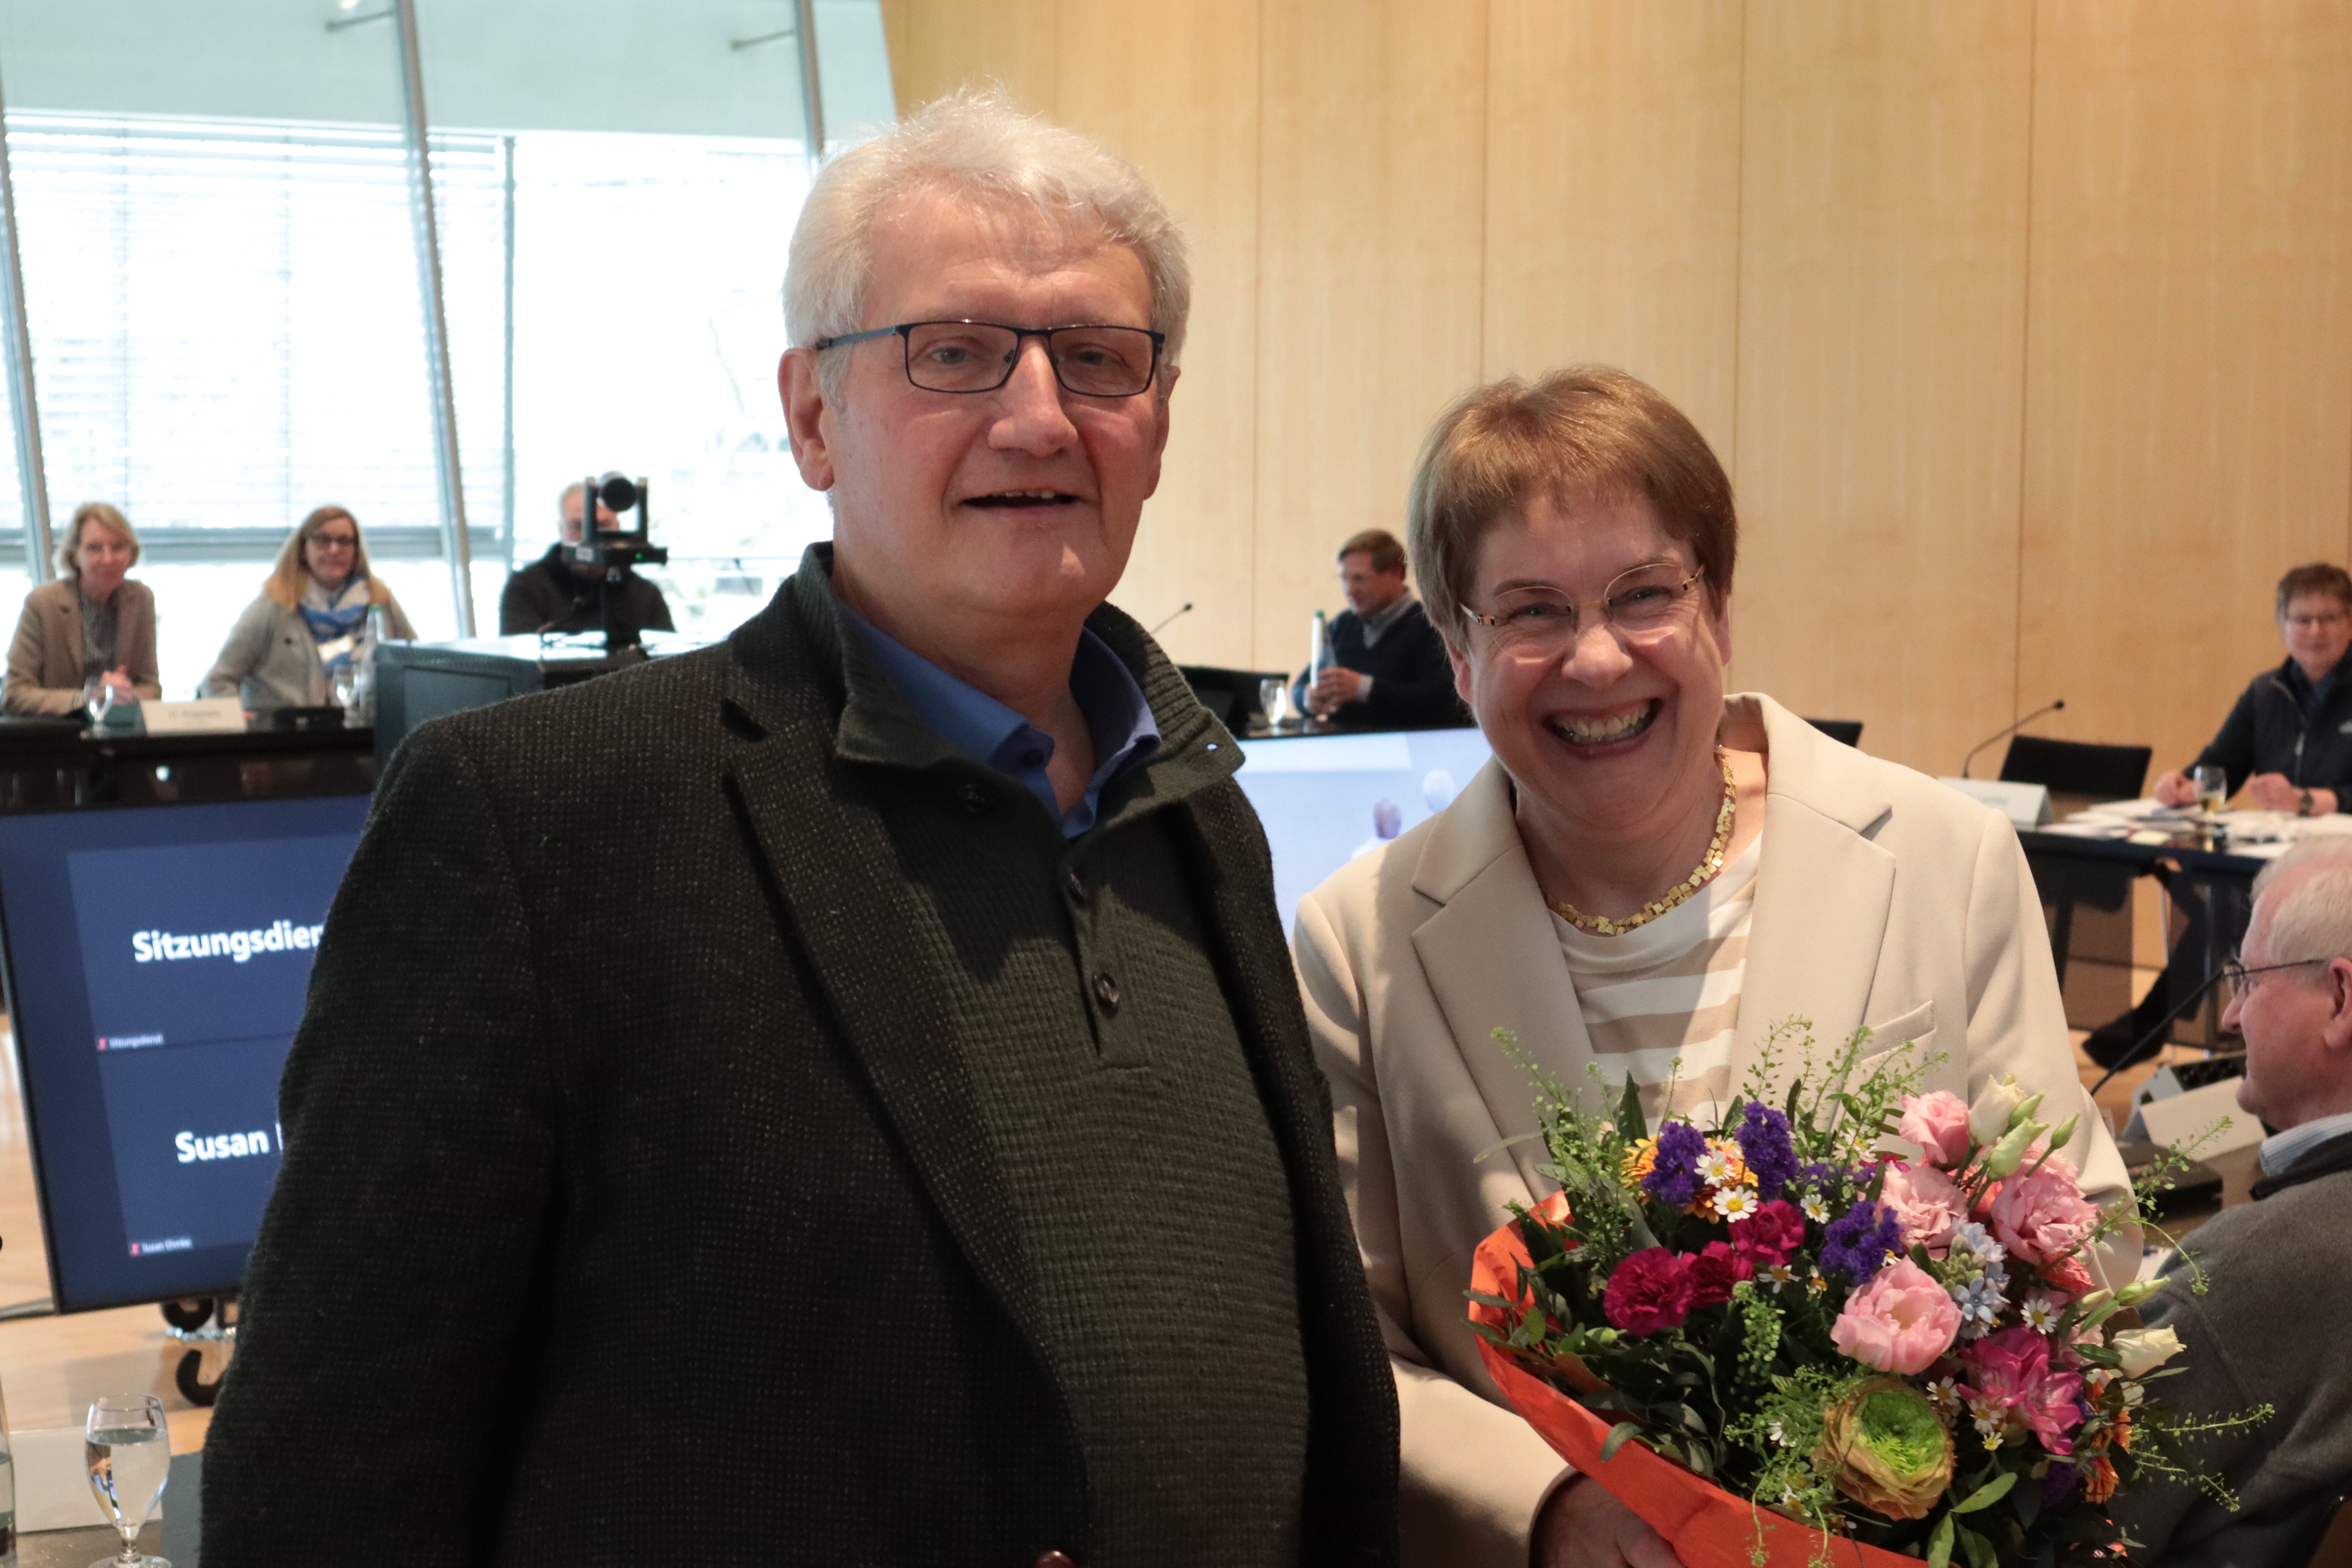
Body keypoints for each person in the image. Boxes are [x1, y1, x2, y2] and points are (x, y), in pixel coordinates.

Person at [202, 94, 1397, 1568]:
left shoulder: (1199, 805)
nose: (1038, 415)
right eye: (952, 352)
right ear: (813, 414)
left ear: (1154, 423)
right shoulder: (536, 824)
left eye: (1096, 358)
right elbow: (327, 1482)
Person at [1292, 367, 2127, 1568]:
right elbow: (1346, 1345)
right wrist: (1543, 1509)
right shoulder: (1354, 942)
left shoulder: (1944, 859)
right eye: (1527, 611)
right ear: (1455, 649)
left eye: (1642, 593)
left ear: (1717, 606)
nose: (1592, 659)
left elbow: (2081, 1238)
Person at [2108, 837, 2352, 1567]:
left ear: (2340, 1000)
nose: (2229, 1017)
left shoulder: (2253, 1274)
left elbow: (2073, 1514)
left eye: (2248, 980)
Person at [2153, 563, 2352, 817]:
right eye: (2303, 620)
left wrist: (2310, 801)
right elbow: (2223, 768)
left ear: (2350, 623)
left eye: (2329, 619)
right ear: (2283, 628)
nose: (2316, 631)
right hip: (2278, 843)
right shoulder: (2266, 692)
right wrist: (2183, 784)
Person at [200, 506, 414, 715]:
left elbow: (416, 667)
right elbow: (219, 681)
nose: (334, 549)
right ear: (303, 550)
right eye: (323, 540)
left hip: (369, 736)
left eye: (344, 541)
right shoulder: (275, 606)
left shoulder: (380, 601)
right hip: (290, 742)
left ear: (357, 550)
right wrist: (242, 726)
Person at [1294, 528, 1468, 730]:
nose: (1349, 591)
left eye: (1359, 579)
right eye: (1344, 579)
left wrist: (1365, 690)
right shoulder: (1342, 625)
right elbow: (1302, 685)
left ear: (1396, 574)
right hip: (1345, 750)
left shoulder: (1432, 626)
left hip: (1410, 754)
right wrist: (1307, 700)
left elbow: (1446, 702)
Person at [4, 502, 161, 717]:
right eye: (94, 548)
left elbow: (152, 689)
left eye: (118, 548)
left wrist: (125, 695)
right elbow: (14, 695)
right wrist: (89, 698)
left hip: (121, 737)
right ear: (74, 555)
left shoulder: (141, 599)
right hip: (59, 738)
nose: (108, 559)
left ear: (131, 555)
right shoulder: (43, 603)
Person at [497, 481, 677, 637]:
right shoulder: (527, 588)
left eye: (602, 526)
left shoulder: (645, 594)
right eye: (579, 527)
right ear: (561, 529)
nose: (589, 538)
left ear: (618, 528)